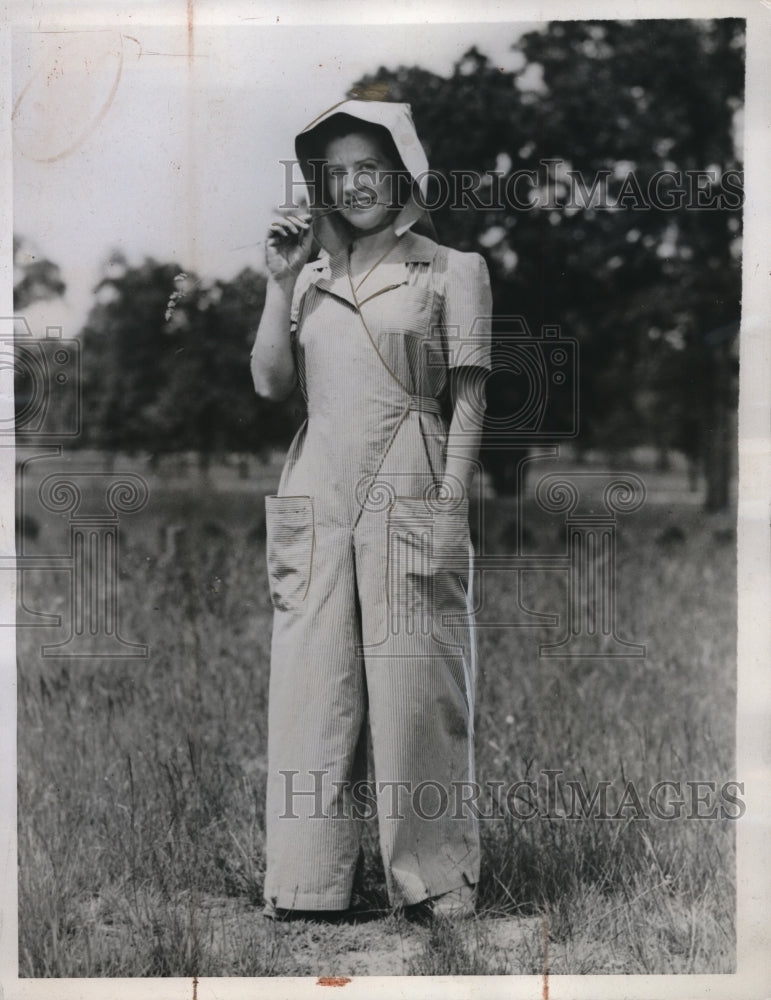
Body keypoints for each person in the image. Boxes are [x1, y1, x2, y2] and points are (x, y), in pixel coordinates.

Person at [251, 99, 492, 921]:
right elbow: (271, 385)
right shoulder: (312, 278)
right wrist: (281, 280)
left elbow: (467, 400)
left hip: (409, 474)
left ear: (402, 173)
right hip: (316, 484)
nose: (354, 184)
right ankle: (306, 883)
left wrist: (449, 505)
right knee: (311, 683)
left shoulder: (450, 269)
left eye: (369, 167)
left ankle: (434, 882)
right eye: (337, 172)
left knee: (413, 682)